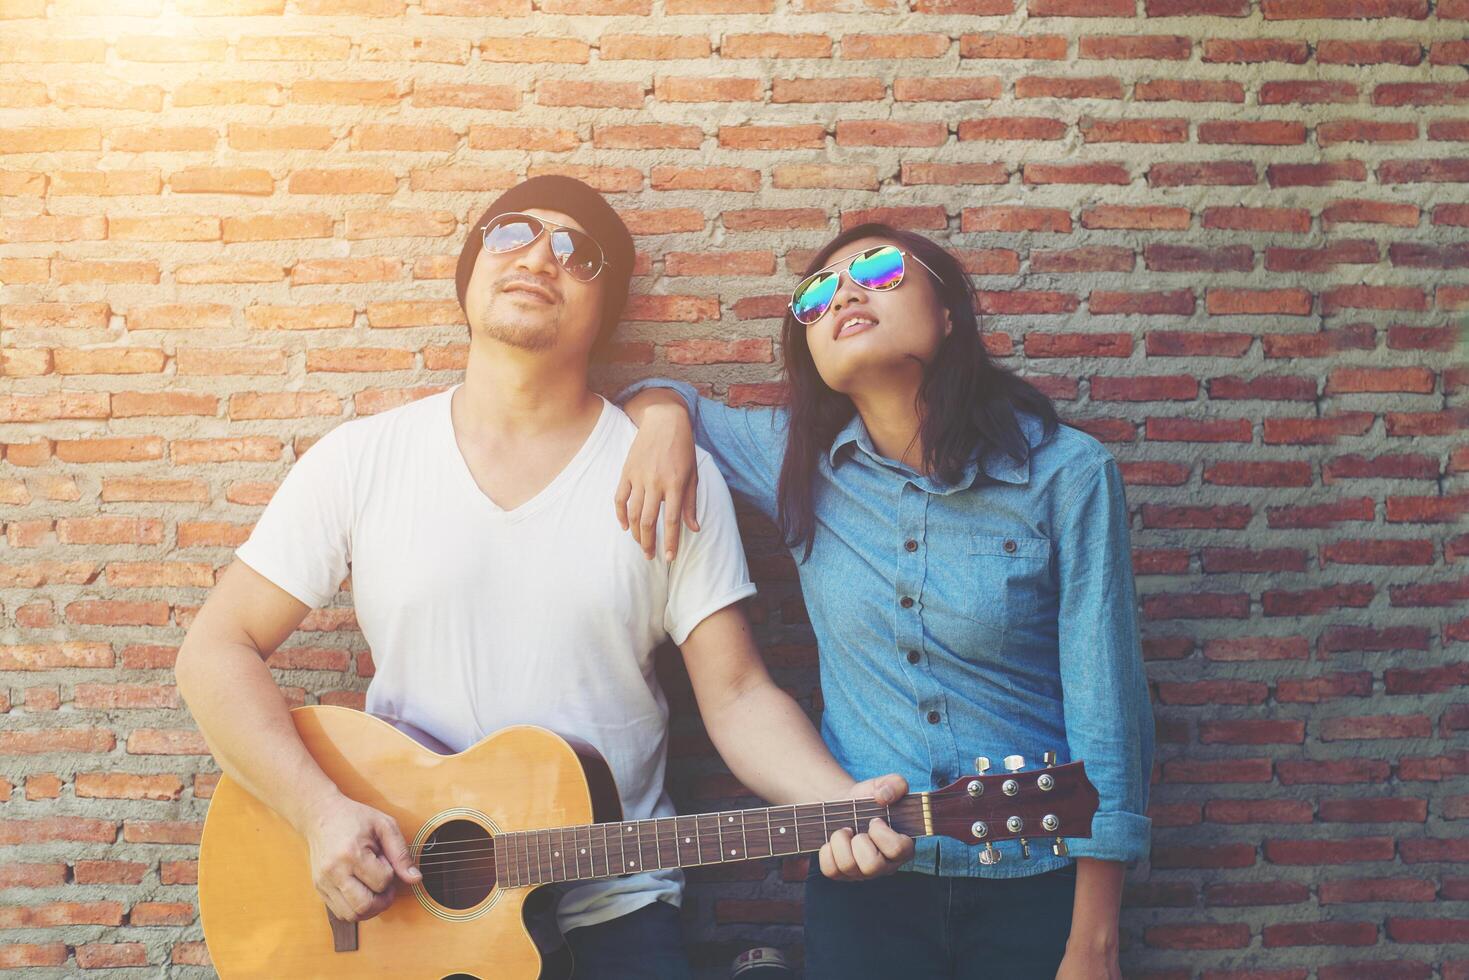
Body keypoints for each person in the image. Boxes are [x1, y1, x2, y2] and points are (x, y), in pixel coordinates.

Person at [174, 178, 912, 980]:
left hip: (615, 914)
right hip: (407, 909)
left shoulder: (671, 481)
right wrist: (318, 813)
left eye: (576, 251)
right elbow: (215, 650)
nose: (537, 257)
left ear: (607, 309)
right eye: (511, 233)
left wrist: (839, 804)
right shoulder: (363, 460)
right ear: (469, 272)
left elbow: (736, 697)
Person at [614, 223, 1156, 979]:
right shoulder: (791, 459)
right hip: (864, 885)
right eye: (815, 294)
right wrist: (667, 418)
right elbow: (653, 394)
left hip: (1038, 879)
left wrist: (1092, 943)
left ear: (947, 314)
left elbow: (1108, 719)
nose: (844, 292)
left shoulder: (1066, 475)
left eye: (876, 268)